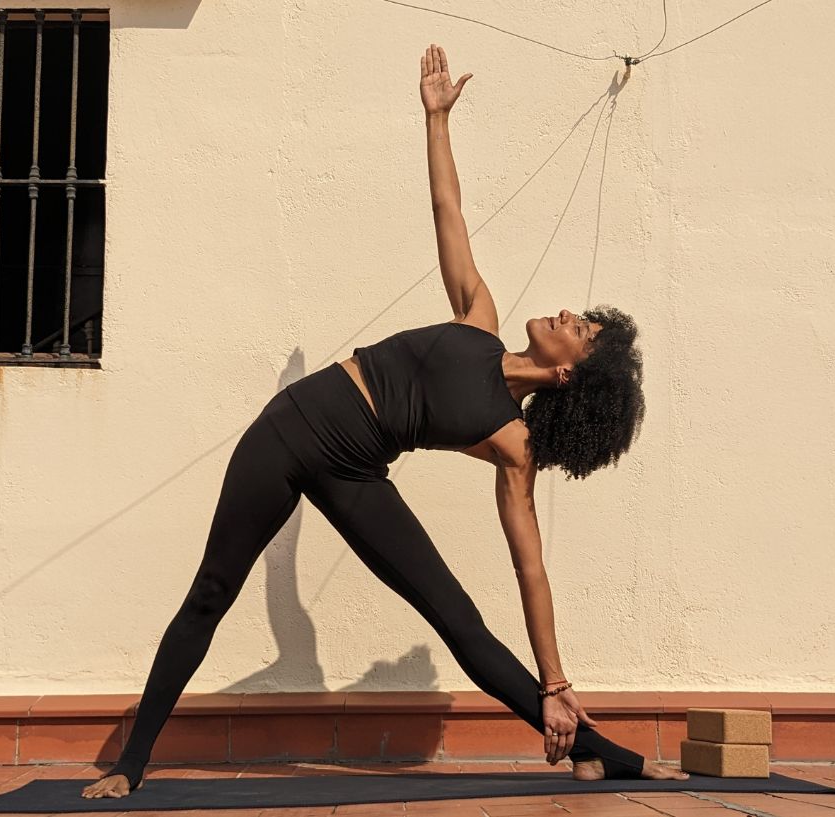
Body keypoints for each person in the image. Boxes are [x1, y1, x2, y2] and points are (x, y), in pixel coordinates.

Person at [82, 43, 682, 799]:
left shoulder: (514, 444)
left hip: (354, 469)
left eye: (581, 328)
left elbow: (530, 567)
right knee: (211, 590)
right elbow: (449, 210)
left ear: (569, 373)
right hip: (290, 426)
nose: (569, 313)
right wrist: (435, 118)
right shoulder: (479, 317)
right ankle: (130, 763)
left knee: (455, 613)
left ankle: (590, 742)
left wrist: (556, 678)